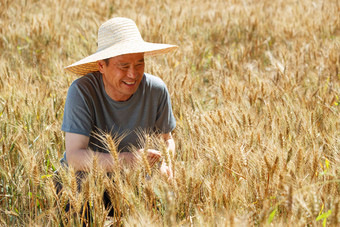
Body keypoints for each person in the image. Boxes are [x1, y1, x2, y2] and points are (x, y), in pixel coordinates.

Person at [60, 17, 177, 177]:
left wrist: (166, 164)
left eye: (139, 64)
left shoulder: (156, 90)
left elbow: (166, 139)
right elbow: (75, 157)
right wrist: (130, 160)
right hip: (87, 180)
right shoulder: (82, 91)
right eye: (123, 66)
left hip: (134, 180)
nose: (133, 74)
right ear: (101, 65)